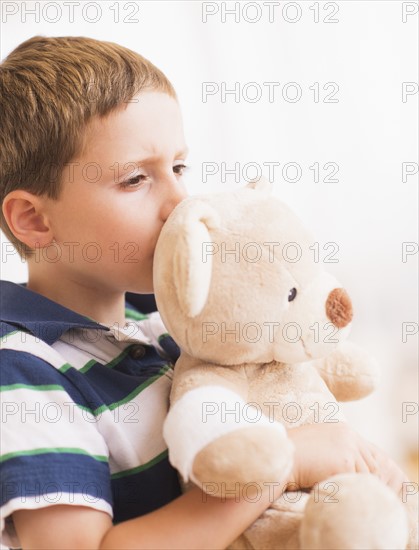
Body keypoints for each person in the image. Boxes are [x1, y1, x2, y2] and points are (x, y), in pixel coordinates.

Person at [0, 35, 407, 550]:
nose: (179, 201)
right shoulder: (24, 371)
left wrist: (353, 468)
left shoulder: (177, 320)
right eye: (134, 180)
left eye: (178, 168)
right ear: (34, 219)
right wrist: (283, 461)